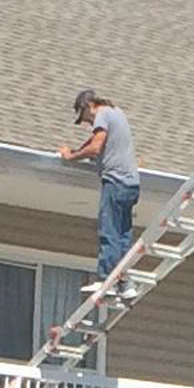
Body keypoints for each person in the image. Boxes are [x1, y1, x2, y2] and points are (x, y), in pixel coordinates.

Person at [59, 89, 140, 300]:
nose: (88, 123)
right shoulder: (116, 112)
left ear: (88, 106)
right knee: (122, 235)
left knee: (109, 230)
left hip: (115, 181)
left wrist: (71, 157)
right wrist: (78, 149)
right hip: (131, 184)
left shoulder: (102, 114)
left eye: (86, 118)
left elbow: (95, 147)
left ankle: (106, 279)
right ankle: (124, 282)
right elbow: (94, 140)